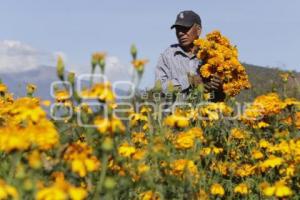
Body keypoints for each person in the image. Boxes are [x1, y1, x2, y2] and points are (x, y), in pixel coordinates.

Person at [155, 10, 225, 102]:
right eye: (178, 29)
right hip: (177, 114)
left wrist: (220, 87)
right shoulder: (167, 56)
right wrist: (188, 80)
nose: (180, 33)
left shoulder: (213, 54)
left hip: (208, 113)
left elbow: (226, 93)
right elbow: (159, 90)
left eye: (185, 28)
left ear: (198, 30)